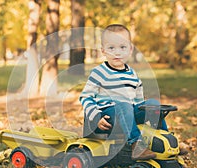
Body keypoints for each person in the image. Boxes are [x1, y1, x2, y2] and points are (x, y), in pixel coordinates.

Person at [80, 24, 186, 160]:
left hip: (129, 114)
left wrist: (147, 109)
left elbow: (138, 103)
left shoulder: (132, 74)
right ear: (103, 51)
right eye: (111, 48)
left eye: (122, 47)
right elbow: (86, 96)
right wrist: (96, 117)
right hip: (108, 116)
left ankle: (166, 138)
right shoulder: (99, 72)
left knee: (153, 104)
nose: (117, 52)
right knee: (124, 105)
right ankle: (136, 145)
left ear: (130, 50)